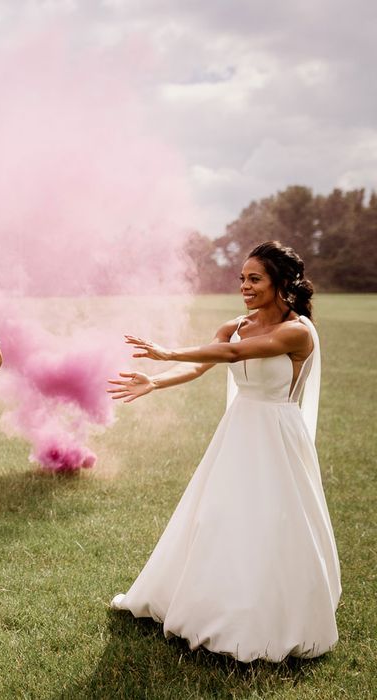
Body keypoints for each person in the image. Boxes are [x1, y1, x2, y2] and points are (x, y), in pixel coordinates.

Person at [107, 241, 340, 662]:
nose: (245, 287)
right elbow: (202, 365)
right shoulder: (236, 324)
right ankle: (205, 604)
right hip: (237, 431)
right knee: (217, 516)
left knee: (275, 520)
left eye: (255, 279)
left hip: (278, 435)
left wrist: (169, 349)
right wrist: (156, 380)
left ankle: (265, 617)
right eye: (242, 279)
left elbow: (233, 354)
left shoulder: (297, 331)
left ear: (281, 283)